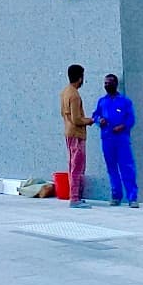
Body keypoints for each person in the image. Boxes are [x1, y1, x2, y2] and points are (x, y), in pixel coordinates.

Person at [91, 73, 138, 207]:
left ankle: (132, 197)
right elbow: (95, 115)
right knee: (111, 168)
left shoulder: (125, 101)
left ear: (115, 84)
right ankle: (116, 196)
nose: (107, 85)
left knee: (127, 167)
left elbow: (131, 119)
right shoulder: (102, 101)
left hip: (121, 139)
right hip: (107, 139)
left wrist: (122, 126)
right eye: (105, 83)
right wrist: (99, 120)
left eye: (109, 83)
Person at [59, 64, 94, 208]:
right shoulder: (74, 95)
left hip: (69, 131)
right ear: (80, 77)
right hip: (76, 134)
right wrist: (90, 120)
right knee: (77, 166)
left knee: (73, 164)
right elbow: (77, 119)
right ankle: (74, 198)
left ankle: (76, 196)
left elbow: (64, 114)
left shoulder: (65, 92)